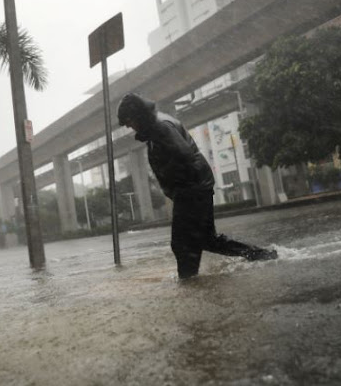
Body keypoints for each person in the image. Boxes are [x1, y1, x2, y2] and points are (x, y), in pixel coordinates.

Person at [117, 92, 277, 279]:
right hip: (196, 185)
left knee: (181, 243)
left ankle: (188, 283)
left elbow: (184, 154)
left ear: (138, 115)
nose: (130, 126)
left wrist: (177, 186)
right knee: (208, 240)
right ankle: (262, 255)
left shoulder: (160, 127)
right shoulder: (156, 126)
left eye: (129, 121)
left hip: (191, 188)